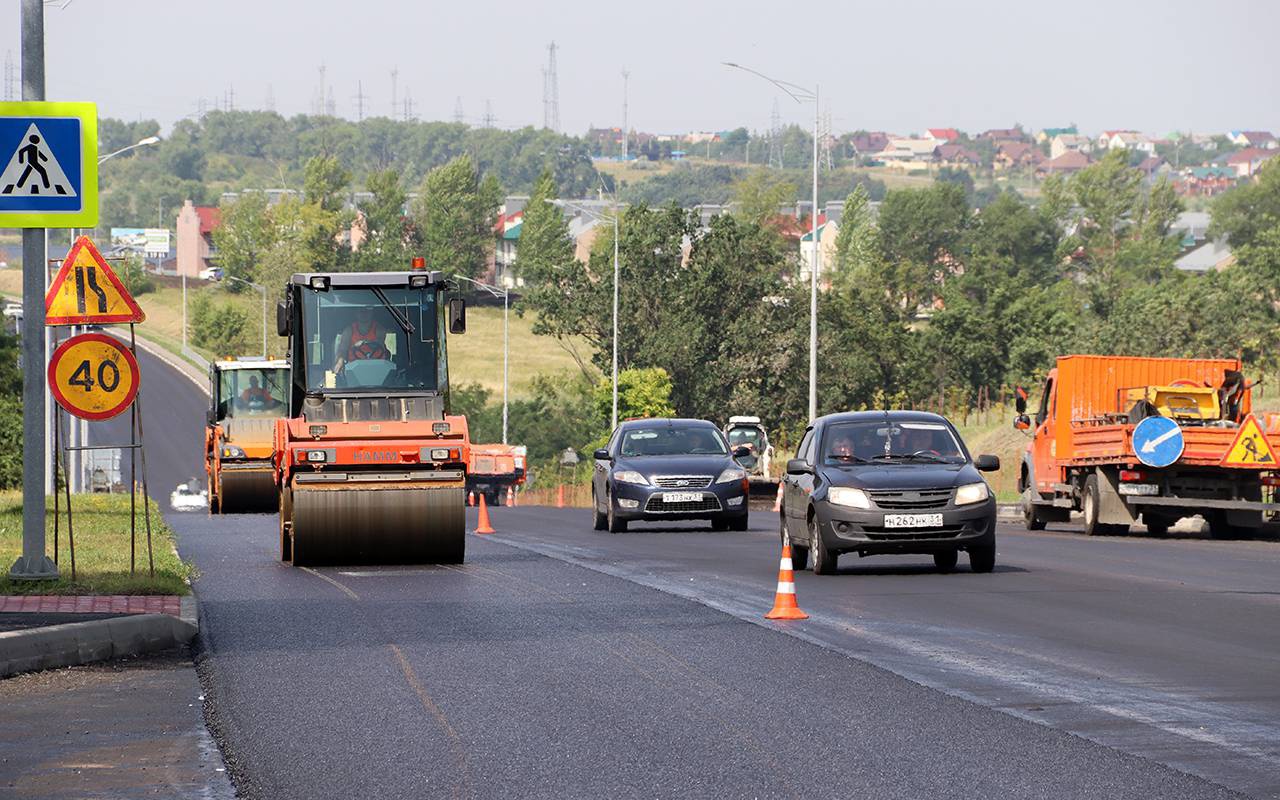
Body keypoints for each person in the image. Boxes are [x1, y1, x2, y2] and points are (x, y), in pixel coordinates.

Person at [332, 307, 390, 374]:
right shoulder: (349, 330)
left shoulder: (379, 329)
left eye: (367, 310)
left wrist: (363, 342)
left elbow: (379, 343)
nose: (364, 313)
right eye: (361, 310)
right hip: (353, 369)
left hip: (377, 368)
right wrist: (339, 362)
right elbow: (342, 349)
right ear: (355, 313)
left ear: (372, 313)